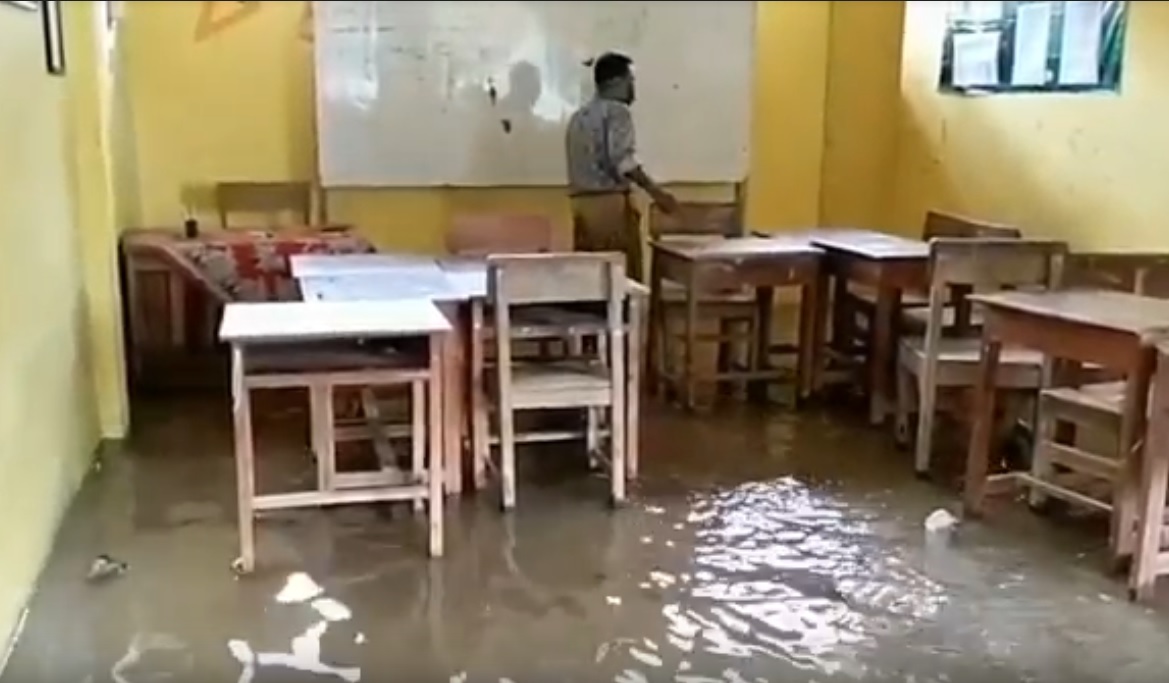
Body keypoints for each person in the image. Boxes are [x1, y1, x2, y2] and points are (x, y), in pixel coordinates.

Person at [565, 52, 677, 281]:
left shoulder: (578, 117)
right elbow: (622, 161)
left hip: (582, 208)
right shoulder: (617, 112)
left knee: (590, 282)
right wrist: (657, 193)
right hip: (610, 207)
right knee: (621, 283)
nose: (633, 88)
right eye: (630, 81)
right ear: (616, 82)